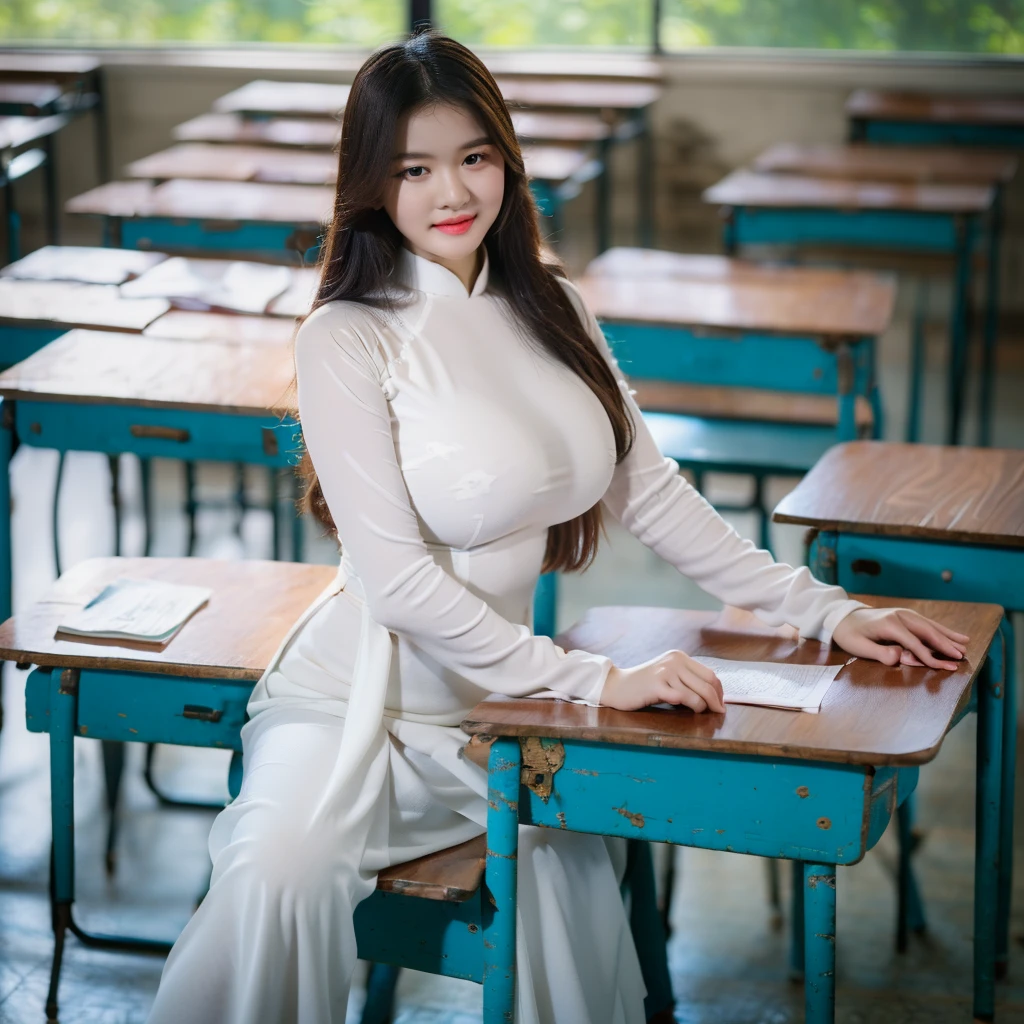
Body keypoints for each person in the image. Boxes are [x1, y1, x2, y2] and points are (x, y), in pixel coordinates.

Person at [147, 31, 968, 1024]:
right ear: (370, 183)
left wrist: (825, 610)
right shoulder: (346, 335)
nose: (452, 192)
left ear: (505, 158)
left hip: (501, 712)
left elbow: (652, 493)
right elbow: (401, 584)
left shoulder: (554, 303)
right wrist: (594, 680)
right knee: (275, 877)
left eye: (473, 157)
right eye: (413, 168)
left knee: (564, 883)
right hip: (353, 702)